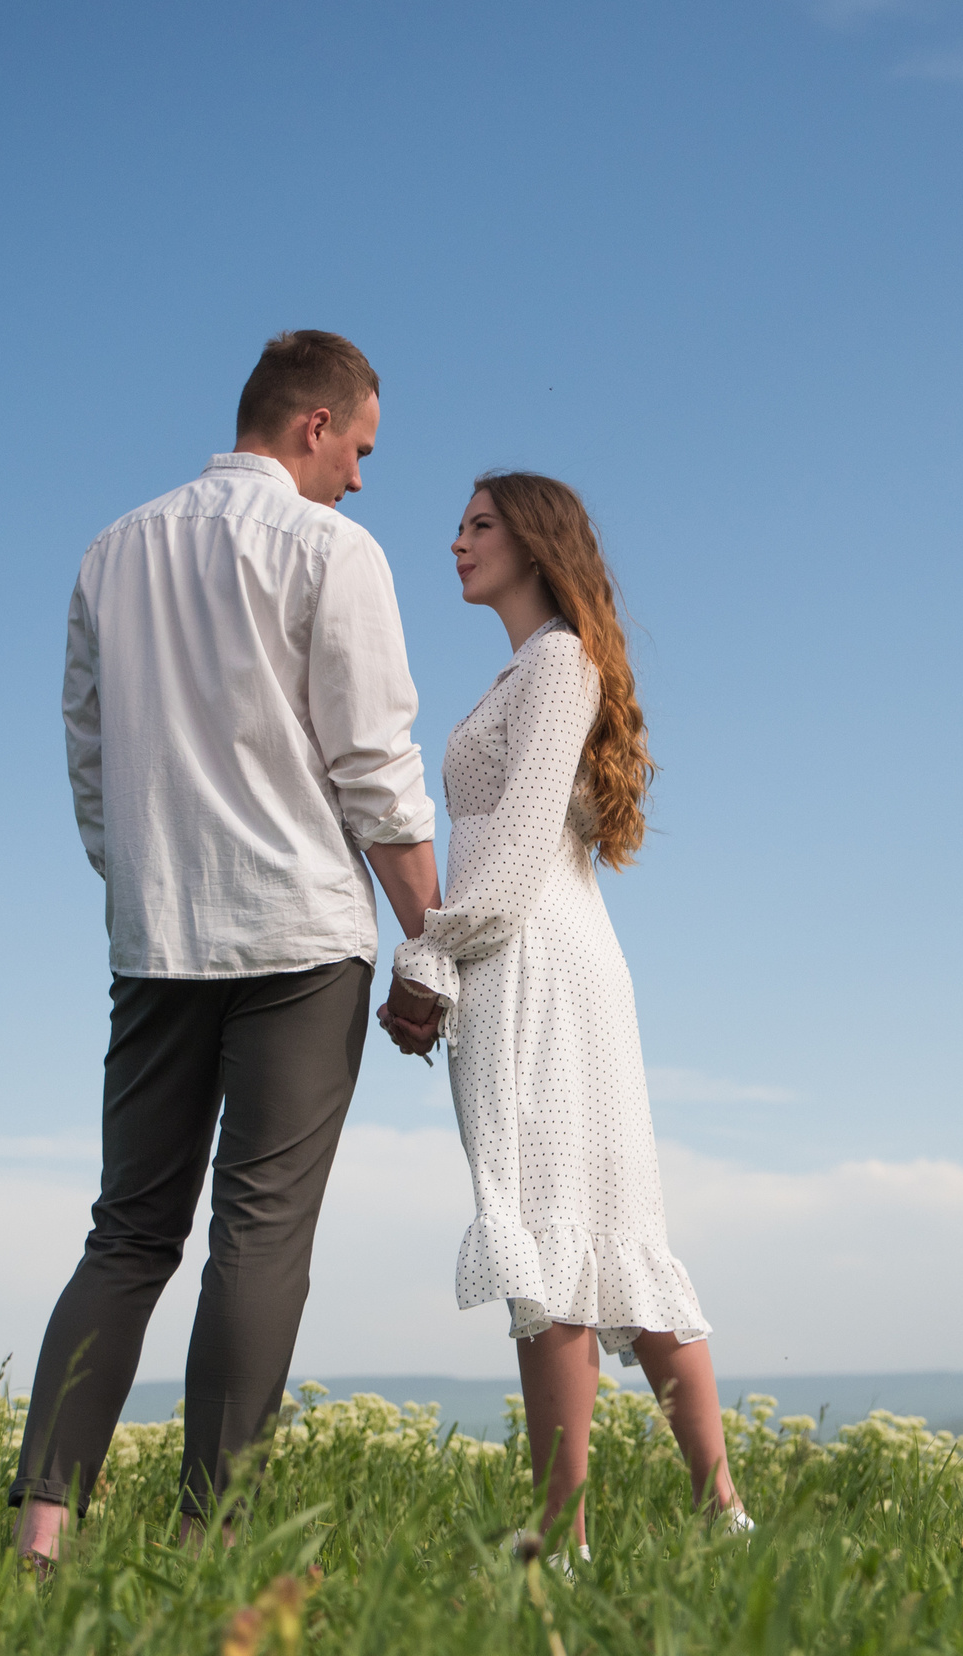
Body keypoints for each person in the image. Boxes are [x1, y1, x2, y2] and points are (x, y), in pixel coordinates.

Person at [12, 331, 444, 1565]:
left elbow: (89, 760)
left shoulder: (113, 550)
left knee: (128, 1232)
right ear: (313, 426)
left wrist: (143, 884)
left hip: (156, 941)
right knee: (259, 1235)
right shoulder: (332, 550)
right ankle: (208, 1546)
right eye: (360, 447)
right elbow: (375, 770)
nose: (363, 477)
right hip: (300, 940)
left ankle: (41, 1537)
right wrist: (436, 941)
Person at [380, 473, 748, 1559]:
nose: (453, 542)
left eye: (478, 525)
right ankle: (719, 1518)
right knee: (601, 1230)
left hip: (529, 960)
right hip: (538, 956)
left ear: (536, 544)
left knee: (548, 1224)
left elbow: (516, 846)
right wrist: (442, 961)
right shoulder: (534, 669)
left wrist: (424, 957)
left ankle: (563, 1538)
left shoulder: (554, 665)